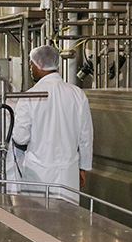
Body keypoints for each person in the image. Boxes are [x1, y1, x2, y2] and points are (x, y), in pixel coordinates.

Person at [12, 45, 94, 203]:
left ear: (40, 63)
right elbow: (86, 135)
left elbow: (21, 138)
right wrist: (83, 167)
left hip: (38, 174)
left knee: (37, 220)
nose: (31, 69)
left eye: (31, 64)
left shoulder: (30, 96)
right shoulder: (77, 94)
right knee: (67, 220)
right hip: (68, 173)